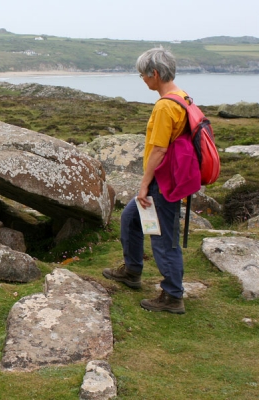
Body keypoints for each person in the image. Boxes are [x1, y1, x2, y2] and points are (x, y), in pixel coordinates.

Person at [102, 47, 189, 314]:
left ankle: (173, 296)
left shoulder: (165, 106)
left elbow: (160, 149)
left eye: (143, 74)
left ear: (154, 73)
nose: (142, 79)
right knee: (130, 220)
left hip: (161, 182)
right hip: (168, 179)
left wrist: (143, 185)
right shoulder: (183, 97)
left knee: (163, 239)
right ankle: (132, 272)